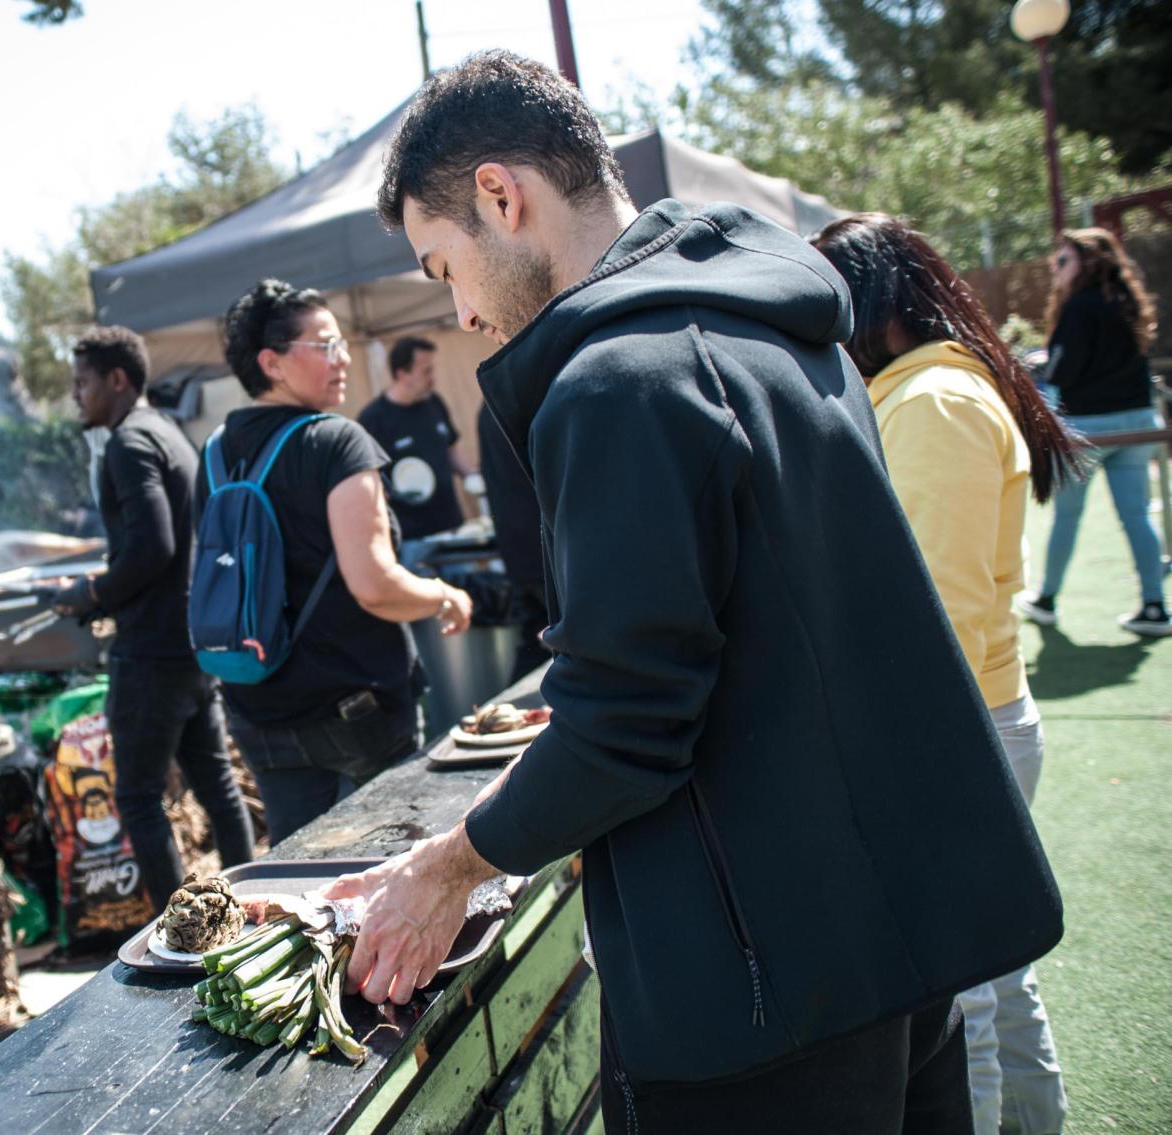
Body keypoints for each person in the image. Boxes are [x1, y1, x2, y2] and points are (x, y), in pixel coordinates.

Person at [322, 51, 1062, 1134]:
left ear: (499, 196)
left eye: (445, 267)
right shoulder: (783, 330)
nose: (462, 312)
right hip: (896, 940)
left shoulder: (612, 383)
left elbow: (626, 725)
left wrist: (448, 866)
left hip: (761, 1003)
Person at [815, 213, 1078, 1135]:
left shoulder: (932, 401)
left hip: (955, 730)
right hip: (975, 719)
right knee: (995, 977)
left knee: (962, 999)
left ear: (872, 304)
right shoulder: (932, 388)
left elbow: (943, 611)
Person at [204, 280, 472, 843]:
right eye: (326, 345)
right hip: (356, 710)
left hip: (258, 709)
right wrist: (444, 595)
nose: (344, 358)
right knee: (396, 860)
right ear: (271, 363)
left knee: (299, 874)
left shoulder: (214, 453)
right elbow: (374, 585)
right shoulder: (337, 442)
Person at [49, 326, 254, 906]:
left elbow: (153, 545)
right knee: (217, 786)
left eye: (83, 382)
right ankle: (252, 902)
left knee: (139, 798)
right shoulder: (167, 431)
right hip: (190, 640)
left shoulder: (129, 442)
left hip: (151, 651)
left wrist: (91, 592)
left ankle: (180, 931)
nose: (76, 394)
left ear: (118, 379)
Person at [1018, 227, 1168, 637]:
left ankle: (1046, 599)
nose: (1055, 268)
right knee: (1137, 515)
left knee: (1067, 516)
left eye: (1062, 260)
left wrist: (1043, 364)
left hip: (1088, 428)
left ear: (1086, 263)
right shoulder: (1127, 303)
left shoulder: (1079, 308)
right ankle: (1155, 605)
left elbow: (1063, 370)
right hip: (1138, 423)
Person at [356, 337, 478, 563]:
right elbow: (368, 479)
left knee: (467, 584)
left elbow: (451, 448)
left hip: (451, 527)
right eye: (426, 371)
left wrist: (474, 476)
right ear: (403, 374)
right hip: (411, 538)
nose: (433, 378)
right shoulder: (373, 418)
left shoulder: (434, 402)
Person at [475, 402, 548, 679]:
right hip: (540, 546)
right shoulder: (526, 401)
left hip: (518, 544)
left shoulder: (492, 403)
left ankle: (510, 702)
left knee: (534, 637)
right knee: (558, 636)